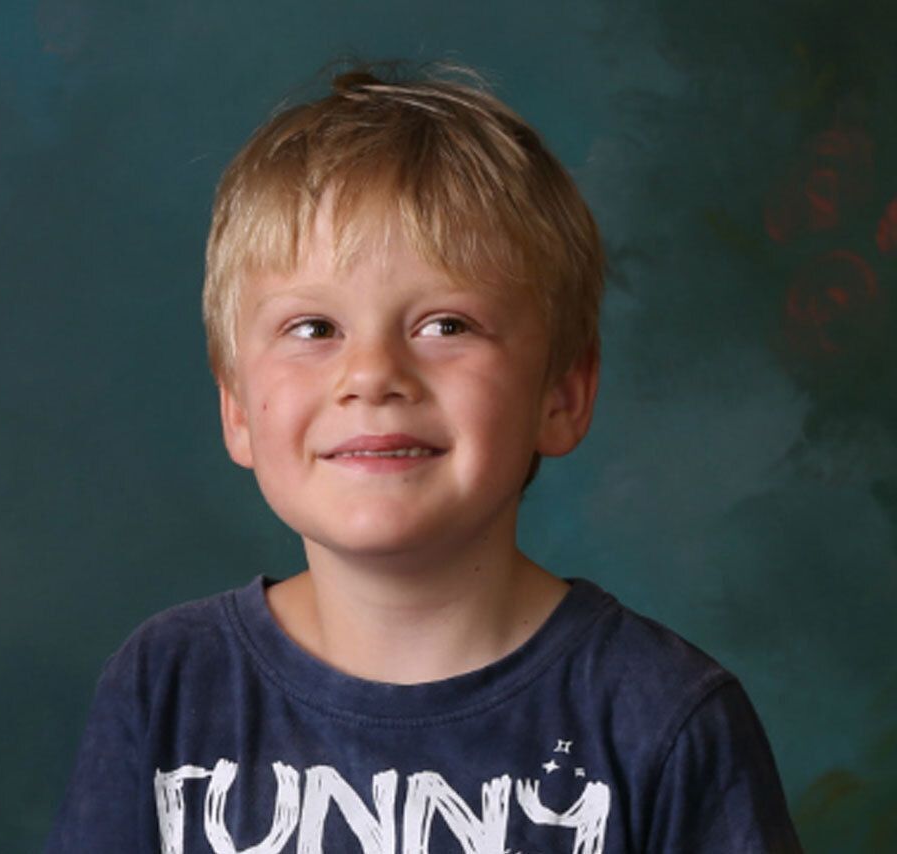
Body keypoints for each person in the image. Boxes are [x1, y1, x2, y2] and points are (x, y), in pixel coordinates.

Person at [45, 63, 802, 853]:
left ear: (562, 395)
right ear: (237, 406)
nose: (372, 374)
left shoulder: (662, 717)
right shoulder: (167, 688)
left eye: (446, 325)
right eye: (313, 329)